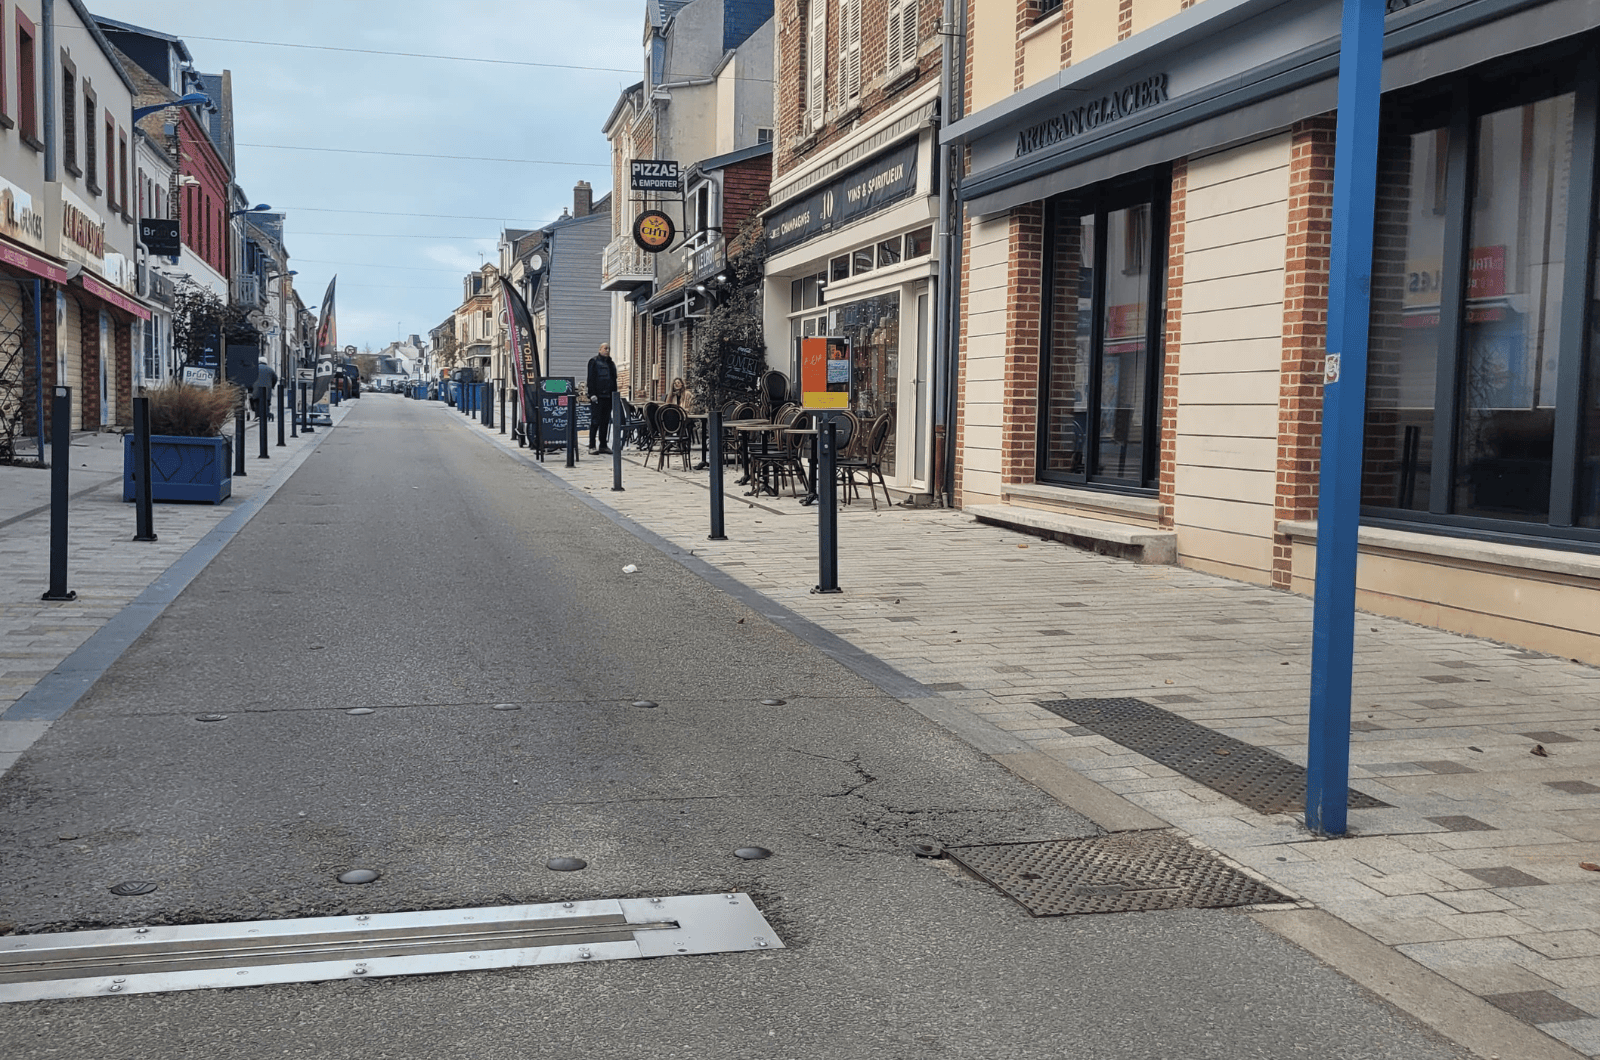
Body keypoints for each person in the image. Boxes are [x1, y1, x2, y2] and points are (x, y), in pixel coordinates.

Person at [586, 343, 618, 453]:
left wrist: (614, 395)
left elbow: (614, 381)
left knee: (605, 421)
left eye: (608, 348)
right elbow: (590, 379)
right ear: (600, 349)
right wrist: (592, 394)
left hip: (608, 397)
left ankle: (603, 445)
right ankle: (591, 446)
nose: (607, 350)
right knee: (595, 421)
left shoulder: (611, 363)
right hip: (598, 397)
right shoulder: (594, 362)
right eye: (605, 348)